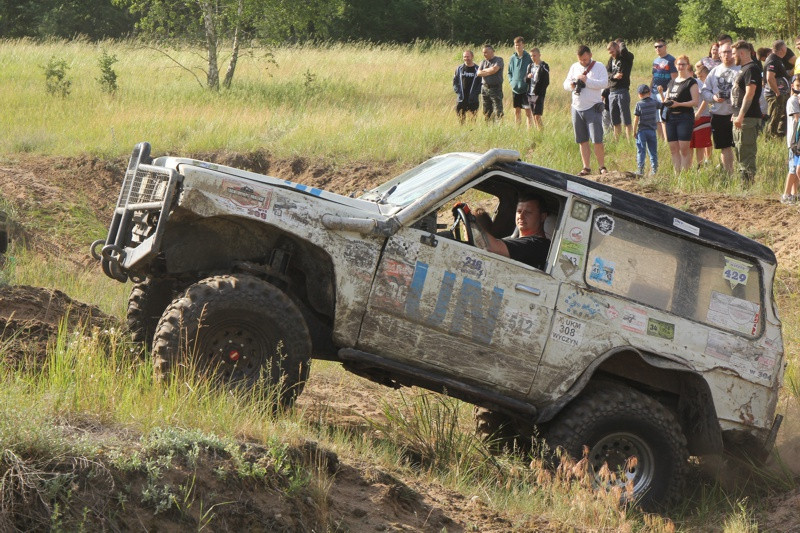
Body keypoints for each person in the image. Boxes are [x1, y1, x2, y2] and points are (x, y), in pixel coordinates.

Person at [563, 45, 609, 176]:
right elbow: (565, 84)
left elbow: (604, 84)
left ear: (590, 55)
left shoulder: (599, 66)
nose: (583, 62)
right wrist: (571, 85)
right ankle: (586, 167)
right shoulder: (574, 67)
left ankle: (602, 167)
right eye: (580, 59)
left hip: (593, 107)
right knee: (582, 140)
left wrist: (587, 81)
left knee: (597, 139)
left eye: (584, 59)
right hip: (577, 107)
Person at [473, 194, 551, 270]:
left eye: (528, 212)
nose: (521, 216)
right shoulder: (515, 240)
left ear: (542, 217)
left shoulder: (538, 245)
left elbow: (490, 247)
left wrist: (471, 221)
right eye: (519, 211)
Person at [701, 41, 740, 174]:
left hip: (737, 114)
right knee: (724, 146)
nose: (727, 55)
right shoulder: (714, 72)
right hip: (719, 114)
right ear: (719, 54)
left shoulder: (740, 69)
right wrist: (714, 98)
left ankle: (743, 174)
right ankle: (729, 174)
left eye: (729, 52)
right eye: (724, 52)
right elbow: (705, 91)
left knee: (740, 146)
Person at [659, 55, 699, 173]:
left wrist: (679, 104)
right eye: (679, 64)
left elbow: (695, 102)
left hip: (685, 117)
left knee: (684, 149)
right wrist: (662, 94)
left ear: (688, 66)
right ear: (675, 66)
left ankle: (685, 175)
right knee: (673, 149)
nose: (681, 67)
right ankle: (677, 175)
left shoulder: (691, 82)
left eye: (683, 64)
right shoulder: (672, 82)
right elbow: (666, 101)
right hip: (671, 117)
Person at [731, 40, 763, 185]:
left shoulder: (751, 69)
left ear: (742, 53)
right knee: (739, 151)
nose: (732, 57)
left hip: (748, 118)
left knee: (746, 152)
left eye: (734, 54)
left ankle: (747, 186)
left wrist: (741, 115)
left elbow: (750, 94)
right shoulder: (744, 69)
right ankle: (743, 184)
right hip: (740, 117)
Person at [764, 40, 792, 138]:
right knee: (774, 116)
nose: (786, 50)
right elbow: (769, 78)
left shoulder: (778, 59)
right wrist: (777, 92)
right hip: (774, 94)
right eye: (785, 48)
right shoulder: (773, 60)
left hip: (781, 93)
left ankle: (778, 135)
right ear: (782, 49)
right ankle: (770, 137)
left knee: (781, 115)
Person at [606, 39, 634, 140]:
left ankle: (629, 141)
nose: (612, 54)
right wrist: (614, 76)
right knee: (615, 120)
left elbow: (624, 52)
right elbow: (607, 73)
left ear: (618, 48)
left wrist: (621, 43)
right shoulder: (611, 60)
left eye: (613, 51)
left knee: (626, 119)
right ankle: (617, 140)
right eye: (610, 52)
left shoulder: (627, 57)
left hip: (623, 90)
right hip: (612, 92)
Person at [652, 39, 677, 140]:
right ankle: (661, 139)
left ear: (665, 47)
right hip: (654, 91)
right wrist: (650, 89)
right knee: (657, 118)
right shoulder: (655, 61)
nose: (657, 48)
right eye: (656, 47)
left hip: (666, 91)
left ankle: (667, 140)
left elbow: (674, 79)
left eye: (660, 46)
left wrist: (669, 92)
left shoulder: (671, 60)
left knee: (664, 117)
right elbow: (653, 76)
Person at [633, 84, 660, 176]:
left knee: (641, 150)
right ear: (649, 93)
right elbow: (662, 105)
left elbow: (636, 119)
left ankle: (640, 170)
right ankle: (654, 170)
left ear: (639, 95)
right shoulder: (654, 102)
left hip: (642, 131)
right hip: (652, 131)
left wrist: (634, 131)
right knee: (653, 151)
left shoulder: (639, 104)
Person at [781, 76, 800, 203]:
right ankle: (786, 194)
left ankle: (794, 194)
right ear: (793, 86)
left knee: (797, 167)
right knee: (793, 169)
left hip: (798, 141)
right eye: (798, 86)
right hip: (794, 141)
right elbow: (797, 119)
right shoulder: (793, 100)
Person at [508, 36, 533, 128]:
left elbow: (533, 71)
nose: (517, 47)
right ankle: (517, 129)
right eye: (515, 45)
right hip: (515, 89)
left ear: (523, 45)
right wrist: (511, 82)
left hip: (526, 89)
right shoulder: (512, 58)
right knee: (517, 110)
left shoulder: (528, 57)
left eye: (519, 45)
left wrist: (529, 82)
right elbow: (509, 72)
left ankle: (529, 130)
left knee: (528, 111)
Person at [692, 62, 713, 167]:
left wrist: (699, 112)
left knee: (705, 140)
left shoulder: (705, 83)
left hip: (703, 115)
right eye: (698, 76)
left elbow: (705, 99)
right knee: (700, 142)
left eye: (702, 76)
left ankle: (708, 160)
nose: (700, 78)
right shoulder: (698, 82)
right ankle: (702, 162)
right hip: (698, 114)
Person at [453, 49, 481, 123]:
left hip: (473, 99)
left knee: (473, 120)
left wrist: (476, 93)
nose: (466, 58)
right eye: (464, 57)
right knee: (461, 120)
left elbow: (481, 83)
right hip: (461, 98)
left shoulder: (478, 69)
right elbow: (455, 81)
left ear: (472, 57)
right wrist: (458, 91)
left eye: (468, 56)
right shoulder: (459, 69)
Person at [477, 45, 504, 122]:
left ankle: (499, 127)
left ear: (491, 51)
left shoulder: (499, 60)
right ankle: (488, 126)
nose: (484, 54)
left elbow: (494, 69)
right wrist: (489, 72)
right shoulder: (483, 62)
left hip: (495, 88)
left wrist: (485, 71)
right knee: (486, 110)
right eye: (483, 52)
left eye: (486, 52)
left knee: (498, 110)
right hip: (484, 88)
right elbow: (478, 73)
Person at [526, 47, 550, 130]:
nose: (533, 58)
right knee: (533, 115)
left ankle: (541, 134)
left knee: (537, 116)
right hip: (530, 93)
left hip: (538, 94)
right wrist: (528, 77)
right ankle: (536, 132)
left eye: (534, 55)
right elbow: (525, 80)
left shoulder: (544, 66)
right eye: (531, 56)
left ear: (539, 55)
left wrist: (540, 93)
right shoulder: (530, 66)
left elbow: (546, 82)